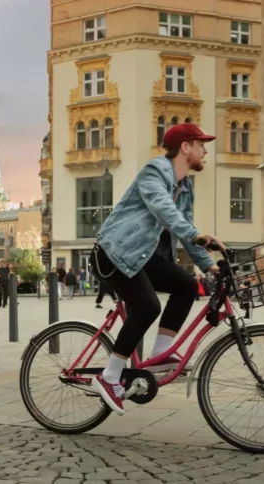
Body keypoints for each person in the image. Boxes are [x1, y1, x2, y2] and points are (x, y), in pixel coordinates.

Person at [89, 123, 225, 415]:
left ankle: (160, 355)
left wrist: (210, 266)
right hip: (114, 253)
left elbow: (187, 231)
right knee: (147, 307)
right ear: (185, 147)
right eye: (201, 144)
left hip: (142, 256)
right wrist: (194, 233)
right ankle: (109, 376)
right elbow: (163, 207)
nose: (205, 150)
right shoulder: (155, 171)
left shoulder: (186, 188)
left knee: (187, 285)